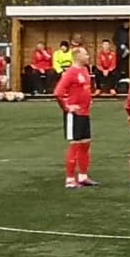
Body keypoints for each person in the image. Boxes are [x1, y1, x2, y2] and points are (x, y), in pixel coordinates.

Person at [54, 44, 96, 188]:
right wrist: (67, 107)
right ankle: (70, 179)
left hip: (85, 113)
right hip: (74, 115)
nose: (88, 56)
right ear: (78, 56)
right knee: (75, 145)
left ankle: (83, 176)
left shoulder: (85, 70)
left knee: (85, 143)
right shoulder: (70, 72)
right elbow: (58, 92)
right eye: (86, 54)